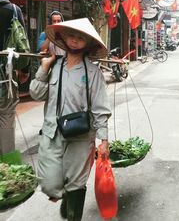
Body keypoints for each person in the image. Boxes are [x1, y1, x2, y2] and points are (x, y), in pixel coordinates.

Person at [29, 18, 111, 220]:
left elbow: (100, 107)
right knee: (49, 184)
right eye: (71, 36)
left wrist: (104, 140)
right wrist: (43, 68)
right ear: (63, 39)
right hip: (52, 133)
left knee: (76, 183)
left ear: (88, 44)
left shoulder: (92, 72)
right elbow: (36, 95)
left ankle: (73, 209)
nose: (75, 40)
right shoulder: (53, 66)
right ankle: (64, 193)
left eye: (80, 38)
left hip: (81, 136)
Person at [0, 0, 30, 155]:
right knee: (5, 118)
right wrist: (24, 70)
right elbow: (23, 44)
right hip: (5, 75)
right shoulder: (12, 10)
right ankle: (6, 169)